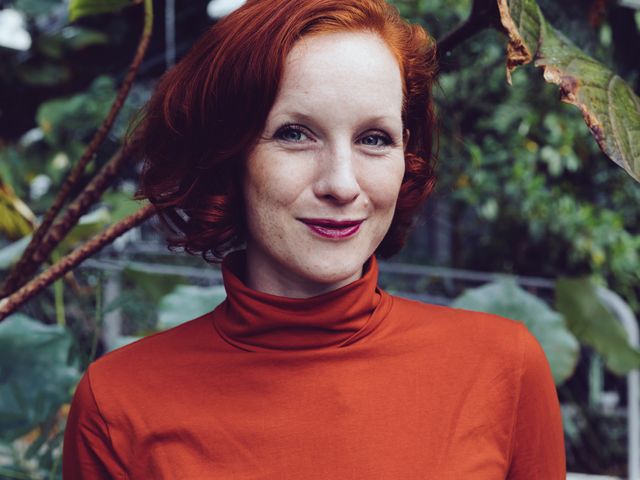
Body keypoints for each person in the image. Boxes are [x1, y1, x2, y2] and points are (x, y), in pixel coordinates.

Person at [63, 0, 566, 478]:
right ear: (227, 153)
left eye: (374, 139)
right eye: (295, 134)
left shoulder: (503, 368)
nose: (342, 185)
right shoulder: (118, 405)